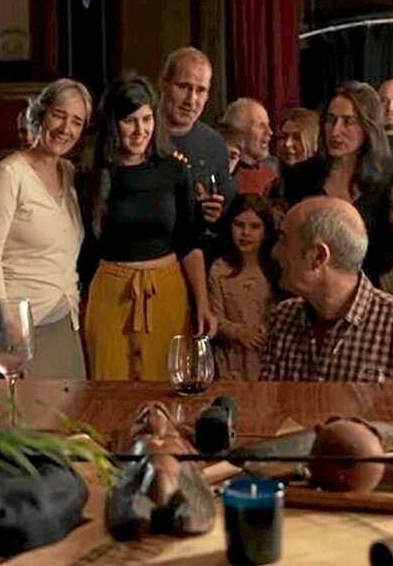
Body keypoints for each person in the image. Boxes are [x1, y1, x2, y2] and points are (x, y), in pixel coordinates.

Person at [80, 74, 217, 380]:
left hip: (167, 291)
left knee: (167, 387)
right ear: (113, 124)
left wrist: (202, 303)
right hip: (109, 294)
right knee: (109, 390)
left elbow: (189, 241)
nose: (140, 130)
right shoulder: (91, 176)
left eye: (147, 119)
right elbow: (85, 249)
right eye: (130, 121)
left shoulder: (175, 170)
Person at [261, 196, 393, 383]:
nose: (274, 252)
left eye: (284, 240)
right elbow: (267, 403)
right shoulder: (283, 318)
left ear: (319, 256)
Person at [0, 79, 90, 380]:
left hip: (66, 321)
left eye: (76, 122)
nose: (65, 128)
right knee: (29, 409)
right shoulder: (9, 173)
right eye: (59, 115)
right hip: (23, 325)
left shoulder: (69, 173)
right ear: (41, 115)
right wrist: (8, 323)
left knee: (74, 407)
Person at [285, 81, 393, 236]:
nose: (335, 131)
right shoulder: (301, 176)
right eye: (330, 120)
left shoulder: (387, 183)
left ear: (367, 128)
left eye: (347, 122)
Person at [159, 46, 234, 226]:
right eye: (184, 87)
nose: (191, 100)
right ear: (163, 84)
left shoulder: (214, 144)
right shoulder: (141, 135)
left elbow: (225, 209)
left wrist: (216, 214)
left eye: (200, 90)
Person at [208, 195, 279, 380]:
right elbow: (214, 316)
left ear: (266, 231)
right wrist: (237, 331)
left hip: (270, 360)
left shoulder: (277, 268)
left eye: (254, 227)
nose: (245, 233)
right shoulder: (220, 269)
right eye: (239, 225)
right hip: (231, 363)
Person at [219, 98, 276, 196]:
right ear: (238, 131)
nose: (269, 132)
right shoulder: (219, 171)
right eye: (261, 126)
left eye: (268, 125)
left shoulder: (273, 170)